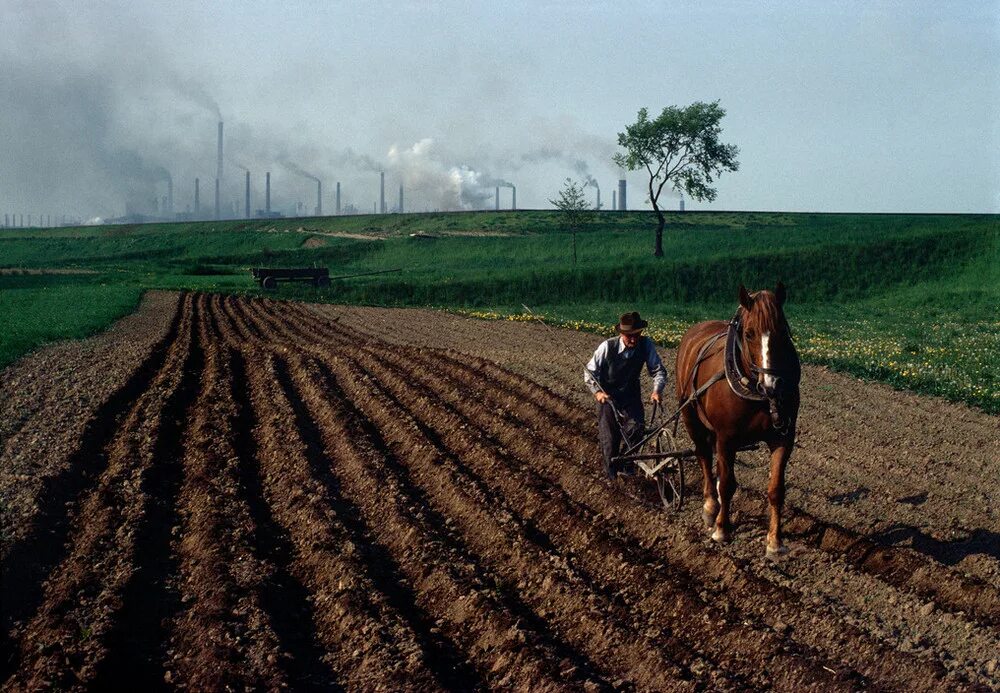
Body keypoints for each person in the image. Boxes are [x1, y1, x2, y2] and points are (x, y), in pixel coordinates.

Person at [584, 312, 667, 480]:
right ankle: (611, 479)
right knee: (610, 439)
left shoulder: (645, 345)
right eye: (629, 336)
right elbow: (589, 373)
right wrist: (598, 393)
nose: (634, 339)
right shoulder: (607, 347)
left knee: (637, 428)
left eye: (637, 335)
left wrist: (657, 390)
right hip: (608, 397)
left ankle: (627, 468)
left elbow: (658, 370)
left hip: (631, 394)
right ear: (621, 334)